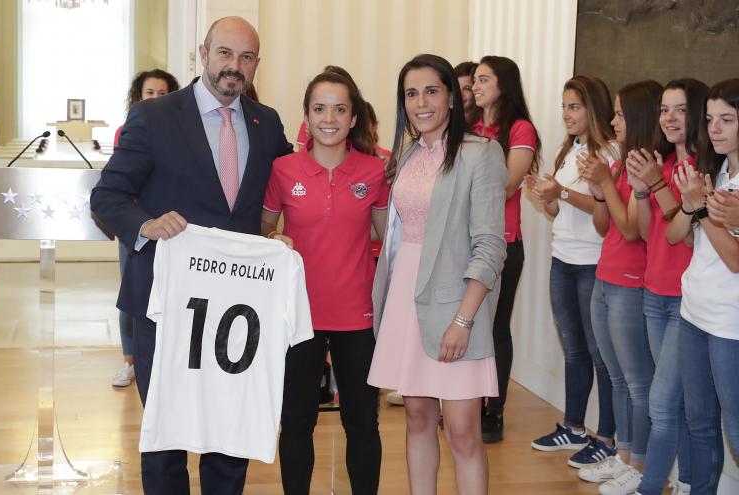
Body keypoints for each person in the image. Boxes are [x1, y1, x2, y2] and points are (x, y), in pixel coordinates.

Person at [90, 16, 292, 495]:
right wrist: (146, 225)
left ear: (256, 64)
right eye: (225, 54)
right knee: (166, 436)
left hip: (235, 314)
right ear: (203, 54)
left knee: (229, 433)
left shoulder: (268, 125)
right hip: (166, 306)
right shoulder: (154, 116)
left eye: (246, 58)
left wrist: (283, 235)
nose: (234, 67)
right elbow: (108, 197)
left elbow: (284, 195)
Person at [367, 54, 507, 495]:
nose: (421, 102)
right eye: (411, 93)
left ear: (451, 96)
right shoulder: (408, 154)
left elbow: (490, 246)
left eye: (431, 91)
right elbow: (393, 231)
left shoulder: (478, 154)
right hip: (406, 298)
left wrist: (464, 320)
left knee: (463, 430)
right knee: (417, 418)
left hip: (457, 302)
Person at [262, 70, 388, 495]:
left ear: (354, 118)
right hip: (298, 318)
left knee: (362, 423)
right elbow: (263, 236)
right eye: (320, 108)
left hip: (358, 316)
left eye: (340, 109)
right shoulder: (282, 170)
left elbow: (390, 240)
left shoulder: (375, 172)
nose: (329, 118)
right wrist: (273, 240)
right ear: (307, 116)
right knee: (296, 422)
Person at [578, 80, 667, 495]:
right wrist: (600, 188)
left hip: (632, 283)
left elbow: (633, 231)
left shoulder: (647, 165)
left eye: (619, 113)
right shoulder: (620, 163)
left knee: (637, 381)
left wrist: (608, 186)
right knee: (616, 377)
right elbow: (604, 225)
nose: (613, 121)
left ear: (638, 116)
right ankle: (623, 454)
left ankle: (641, 463)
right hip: (605, 276)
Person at [526, 75, 619, 470]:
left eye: (574, 107)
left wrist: (559, 193)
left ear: (592, 109)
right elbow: (557, 211)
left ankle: (608, 438)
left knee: (603, 356)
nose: (566, 114)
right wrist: (545, 194)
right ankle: (575, 426)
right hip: (562, 258)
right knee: (574, 349)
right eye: (564, 106)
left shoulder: (608, 154)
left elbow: (603, 212)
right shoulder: (570, 150)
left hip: (593, 263)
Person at [627, 78, 707, 495]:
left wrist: (656, 185)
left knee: (661, 402)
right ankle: (687, 483)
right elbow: (645, 233)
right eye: (663, 109)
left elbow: (685, 234)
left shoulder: (701, 170)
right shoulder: (664, 166)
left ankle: (651, 485)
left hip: (686, 301)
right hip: (653, 290)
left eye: (679, 109)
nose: (670, 118)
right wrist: (642, 191)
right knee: (673, 402)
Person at [667, 78, 739, 494]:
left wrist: (707, 212)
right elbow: (677, 234)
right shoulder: (716, 170)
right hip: (693, 313)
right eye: (711, 119)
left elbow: (734, 260)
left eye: (727, 120)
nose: (714, 129)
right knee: (699, 422)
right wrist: (693, 204)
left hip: (729, 323)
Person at [470, 55, 541, 443]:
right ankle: (468, 402)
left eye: (483, 79)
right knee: (468, 323)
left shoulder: (519, 128)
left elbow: (508, 186)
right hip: (466, 242)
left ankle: (493, 410)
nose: (475, 86)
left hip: (502, 243)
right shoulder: (472, 126)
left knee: (496, 328)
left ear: (503, 84)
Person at [111, 69, 180, 388]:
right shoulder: (130, 129)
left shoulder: (182, 131)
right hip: (138, 227)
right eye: (149, 93)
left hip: (174, 231)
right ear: (138, 97)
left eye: (162, 93)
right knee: (133, 293)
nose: (155, 99)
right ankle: (130, 359)